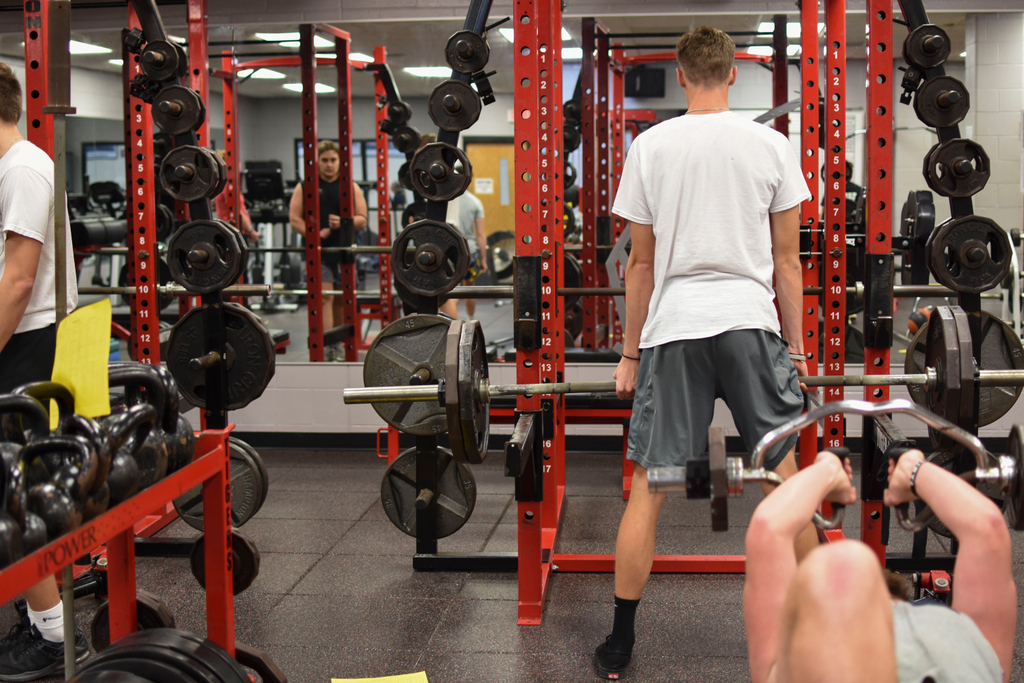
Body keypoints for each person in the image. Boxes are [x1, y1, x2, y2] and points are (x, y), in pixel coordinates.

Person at [595, 27, 813, 679]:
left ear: (683, 76)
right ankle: (824, 616)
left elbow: (639, 262)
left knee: (648, 486)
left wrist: (629, 354)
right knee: (790, 477)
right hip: (751, 321)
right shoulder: (772, 144)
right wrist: (795, 347)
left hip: (675, 326)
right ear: (734, 75)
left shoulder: (651, 146)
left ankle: (620, 640)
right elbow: (786, 262)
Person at [744, 448, 1014, 683]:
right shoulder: (965, 640)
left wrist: (828, 469)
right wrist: (914, 471)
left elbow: (768, 529)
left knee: (843, 563)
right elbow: (987, 527)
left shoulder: (793, 659)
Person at [0, 62, 88, 681]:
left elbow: (18, 280)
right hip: (27, 342)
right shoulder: (14, 167)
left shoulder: (23, 167)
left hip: (31, 346)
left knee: (17, 495)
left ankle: (58, 635)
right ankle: (40, 623)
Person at [288, 140, 368, 353]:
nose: (329, 164)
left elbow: (362, 218)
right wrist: (313, 234)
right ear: (318, 162)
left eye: (333, 160)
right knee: (325, 298)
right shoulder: (305, 186)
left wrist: (344, 221)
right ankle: (326, 346)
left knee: (342, 298)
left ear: (340, 162)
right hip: (319, 252)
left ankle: (340, 345)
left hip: (344, 250)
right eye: (325, 160)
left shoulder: (350, 185)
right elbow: (295, 218)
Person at [440, 190, 487, 320]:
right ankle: (470, 320)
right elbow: (480, 234)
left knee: (451, 288)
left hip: (447, 250)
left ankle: (450, 325)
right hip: (469, 250)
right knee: (469, 286)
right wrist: (483, 259)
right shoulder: (475, 202)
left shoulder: (442, 198)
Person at [213, 149, 258, 243]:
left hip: (232, 230)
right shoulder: (227, 185)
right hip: (234, 231)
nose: (239, 164)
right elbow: (237, 212)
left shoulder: (224, 184)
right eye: (237, 161)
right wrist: (251, 231)